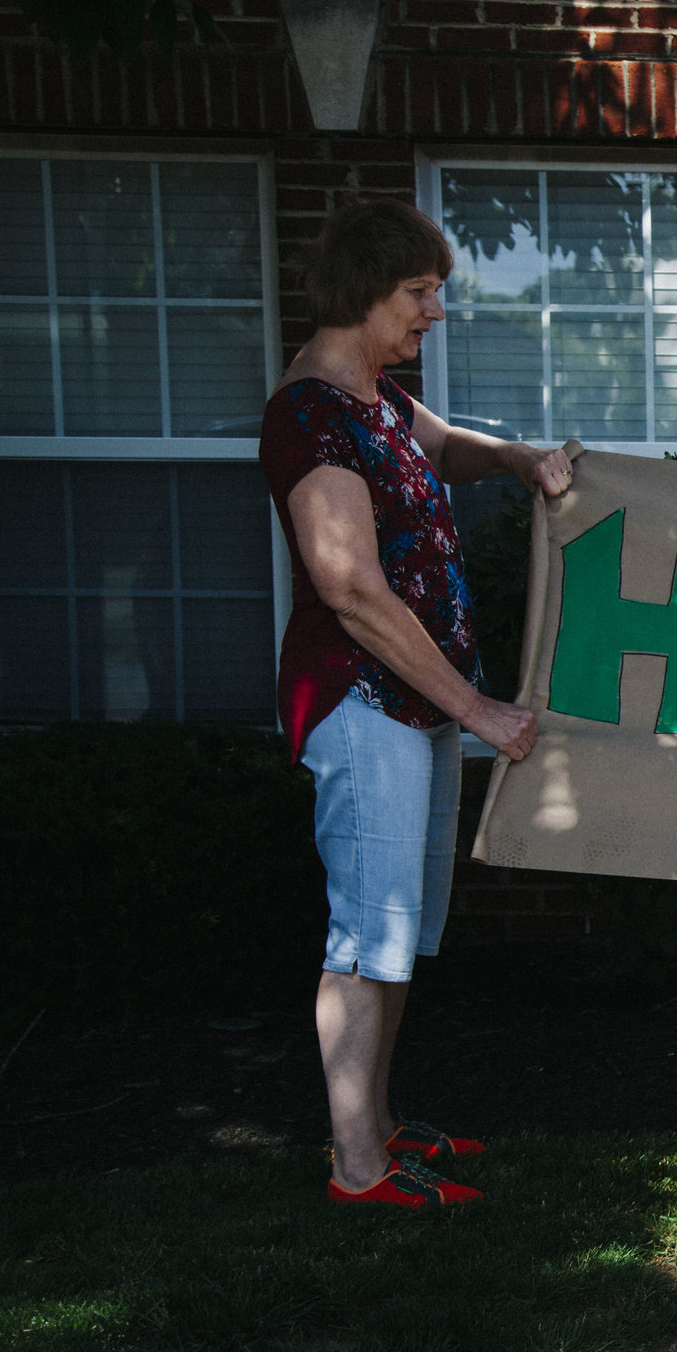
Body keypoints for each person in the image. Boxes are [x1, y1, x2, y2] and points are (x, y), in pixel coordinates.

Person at [261, 197, 573, 1209]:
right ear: (362, 292)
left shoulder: (380, 402)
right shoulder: (310, 412)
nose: (434, 309)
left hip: (419, 706)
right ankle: (357, 1168)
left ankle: (382, 1125)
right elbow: (349, 585)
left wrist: (519, 458)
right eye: (419, 291)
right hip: (363, 705)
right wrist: (478, 709)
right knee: (363, 935)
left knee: (399, 931)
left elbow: (447, 448)